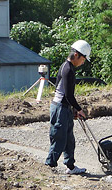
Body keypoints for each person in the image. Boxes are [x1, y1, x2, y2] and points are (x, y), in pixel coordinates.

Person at [45, 40, 91, 174]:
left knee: (69, 138)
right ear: (76, 55)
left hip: (65, 108)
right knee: (59, 137)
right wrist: (79, 109)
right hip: (60, 108)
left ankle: (70, 166)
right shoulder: (67, 69)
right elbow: (69, 95)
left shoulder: (68, 68)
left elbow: (68, 96)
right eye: (83, 59)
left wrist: (74, 109)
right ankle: (49, 167)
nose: (83, 62)